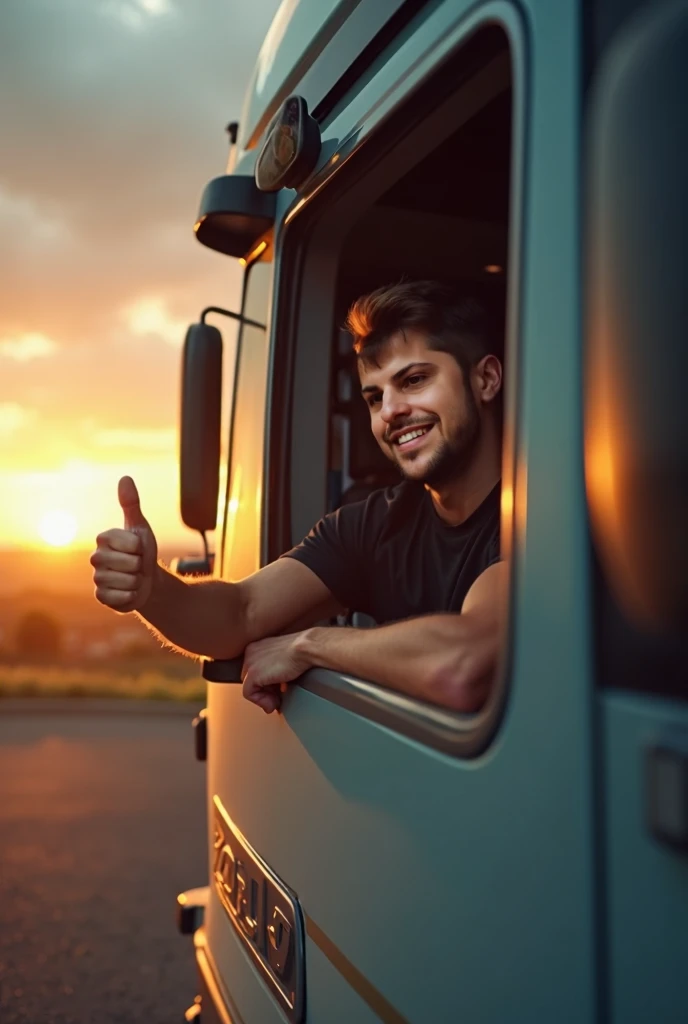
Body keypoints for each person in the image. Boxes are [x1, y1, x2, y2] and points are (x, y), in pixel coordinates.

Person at [91, 280, 507, 714]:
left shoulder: (536, 520)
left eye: (415, 380)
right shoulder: (374, 523)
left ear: (486, 379)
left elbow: (464, 665)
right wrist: (154, 589)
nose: (390, 412)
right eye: (375, 397)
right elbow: (241, 612)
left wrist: (312, 646)